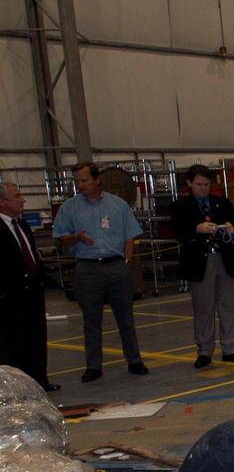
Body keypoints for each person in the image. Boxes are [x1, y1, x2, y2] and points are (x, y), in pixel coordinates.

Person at [54, 162, 148, 382]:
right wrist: (76, 237)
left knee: (125, 317)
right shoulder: (69, 208)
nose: (81, 185)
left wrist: (126, 261)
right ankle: (93, 365)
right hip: (87, 268)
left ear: (97, 180)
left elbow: (130, 236)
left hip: (115, 266)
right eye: (77, 181)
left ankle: (134, 359)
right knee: (91, 320)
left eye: (84, 180)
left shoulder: (118, 205)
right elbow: (60, 237)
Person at [172, 164, 234, 369]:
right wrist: (196, 229)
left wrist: (232, 230)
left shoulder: (222, 203)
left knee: (228, 306)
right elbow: (178, 232)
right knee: (203, 308)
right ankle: (204, 351)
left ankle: (230, 348)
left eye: (206, 184)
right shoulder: (182, 206)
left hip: (223, 260)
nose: (203, 188)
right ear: (189, 183)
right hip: (199, 262)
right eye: (199, 184)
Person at [0, 182, 58, 391]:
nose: (22, 200)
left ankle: (40, 381)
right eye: (17, 196)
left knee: (36, 339)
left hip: (32, 292)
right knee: (13, 343)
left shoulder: (21, 225)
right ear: (3, 202)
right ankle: (16, 388)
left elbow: (32, 255)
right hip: (10, 296)